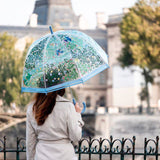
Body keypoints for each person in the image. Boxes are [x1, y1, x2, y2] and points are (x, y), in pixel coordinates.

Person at [26, 88, 84, 160]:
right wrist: (77, 114)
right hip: (65, 155)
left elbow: (30, 142)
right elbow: (76, 137)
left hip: (42, 155)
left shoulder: (32, 108)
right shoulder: (68, 106)